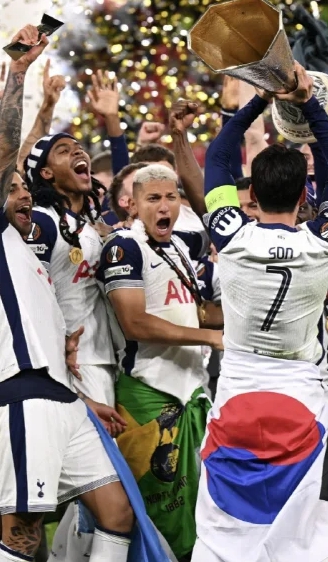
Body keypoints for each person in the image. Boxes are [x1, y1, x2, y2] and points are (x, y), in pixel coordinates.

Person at [193, 63, 328, 562]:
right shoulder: (324, 243)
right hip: (302, 402)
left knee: (224, 540)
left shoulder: (231, 236)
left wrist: (260, 100)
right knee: (308, 544)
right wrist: (309, 105)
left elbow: (218, 157)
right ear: (305, 196)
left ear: (252, 197)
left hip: (237, 398)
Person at [0, 25, 133, 562]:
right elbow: (8, 152)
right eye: (12, 188)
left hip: (60, 392)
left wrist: (83, 397)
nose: (21, 194)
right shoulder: (10, 235)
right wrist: (18, 73)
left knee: (117, 513)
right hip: (22, 393)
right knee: (22, 531)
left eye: (22, 187)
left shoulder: (30, 258)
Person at [96, 161, 223, 560]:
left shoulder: (179, 248)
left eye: (171, 197)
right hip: (147, 396)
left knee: (199, 514)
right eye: (153, 198)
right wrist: (210, 337)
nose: (164, 206)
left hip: (191, 391)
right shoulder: (124, 246)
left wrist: (247, 322)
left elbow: (198, 312)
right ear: (132, 206)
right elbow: (134, 322)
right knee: (156, 515)